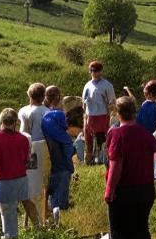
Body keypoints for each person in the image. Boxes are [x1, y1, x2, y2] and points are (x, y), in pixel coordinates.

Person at [104, 96, 156, 239]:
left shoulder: (116, 134)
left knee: (119, 232)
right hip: (145, 188)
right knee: (136, 227)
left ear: (117, 113)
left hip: (124, 189)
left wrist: (109, 190)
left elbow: (116, 165)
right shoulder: (144, 133)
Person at [0, 108, 32, 239]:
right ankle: (35, 229)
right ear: (15, 122)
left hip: (3, 179)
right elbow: (27, 160)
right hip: (21, 179)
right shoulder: (23, 139)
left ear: (1, 121)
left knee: (5, 214)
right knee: (15, 210)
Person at [17, 83, 49, 229]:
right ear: (43, 96)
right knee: (39, 183)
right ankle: (39, 217)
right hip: (40, 147)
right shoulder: (45, 111)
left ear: (29, 95)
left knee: (27, 180)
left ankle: (27, 217)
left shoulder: (22, 110)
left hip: (25, 147)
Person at [41, 85, 74, 225]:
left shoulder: (44, 118)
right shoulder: (59, 118)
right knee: (62, 184)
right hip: (61, 162)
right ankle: (60, 209)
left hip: (47, 159)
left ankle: (51, 205)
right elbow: (68, 147)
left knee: (51, 185)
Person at [82, 61, 116, 165]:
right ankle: (88, 160)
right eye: (92, 71)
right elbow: (83, 102)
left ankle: (103, 160)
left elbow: (112, 102)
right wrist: (85, 116)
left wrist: (111, 115)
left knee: (102, 139)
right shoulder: (87, 85)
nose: (95, 73)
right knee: (88, 138)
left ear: (101, 71)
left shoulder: (107, 85)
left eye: (97, 70)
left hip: (102, 115)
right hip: (89, 115)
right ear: (90, 71)